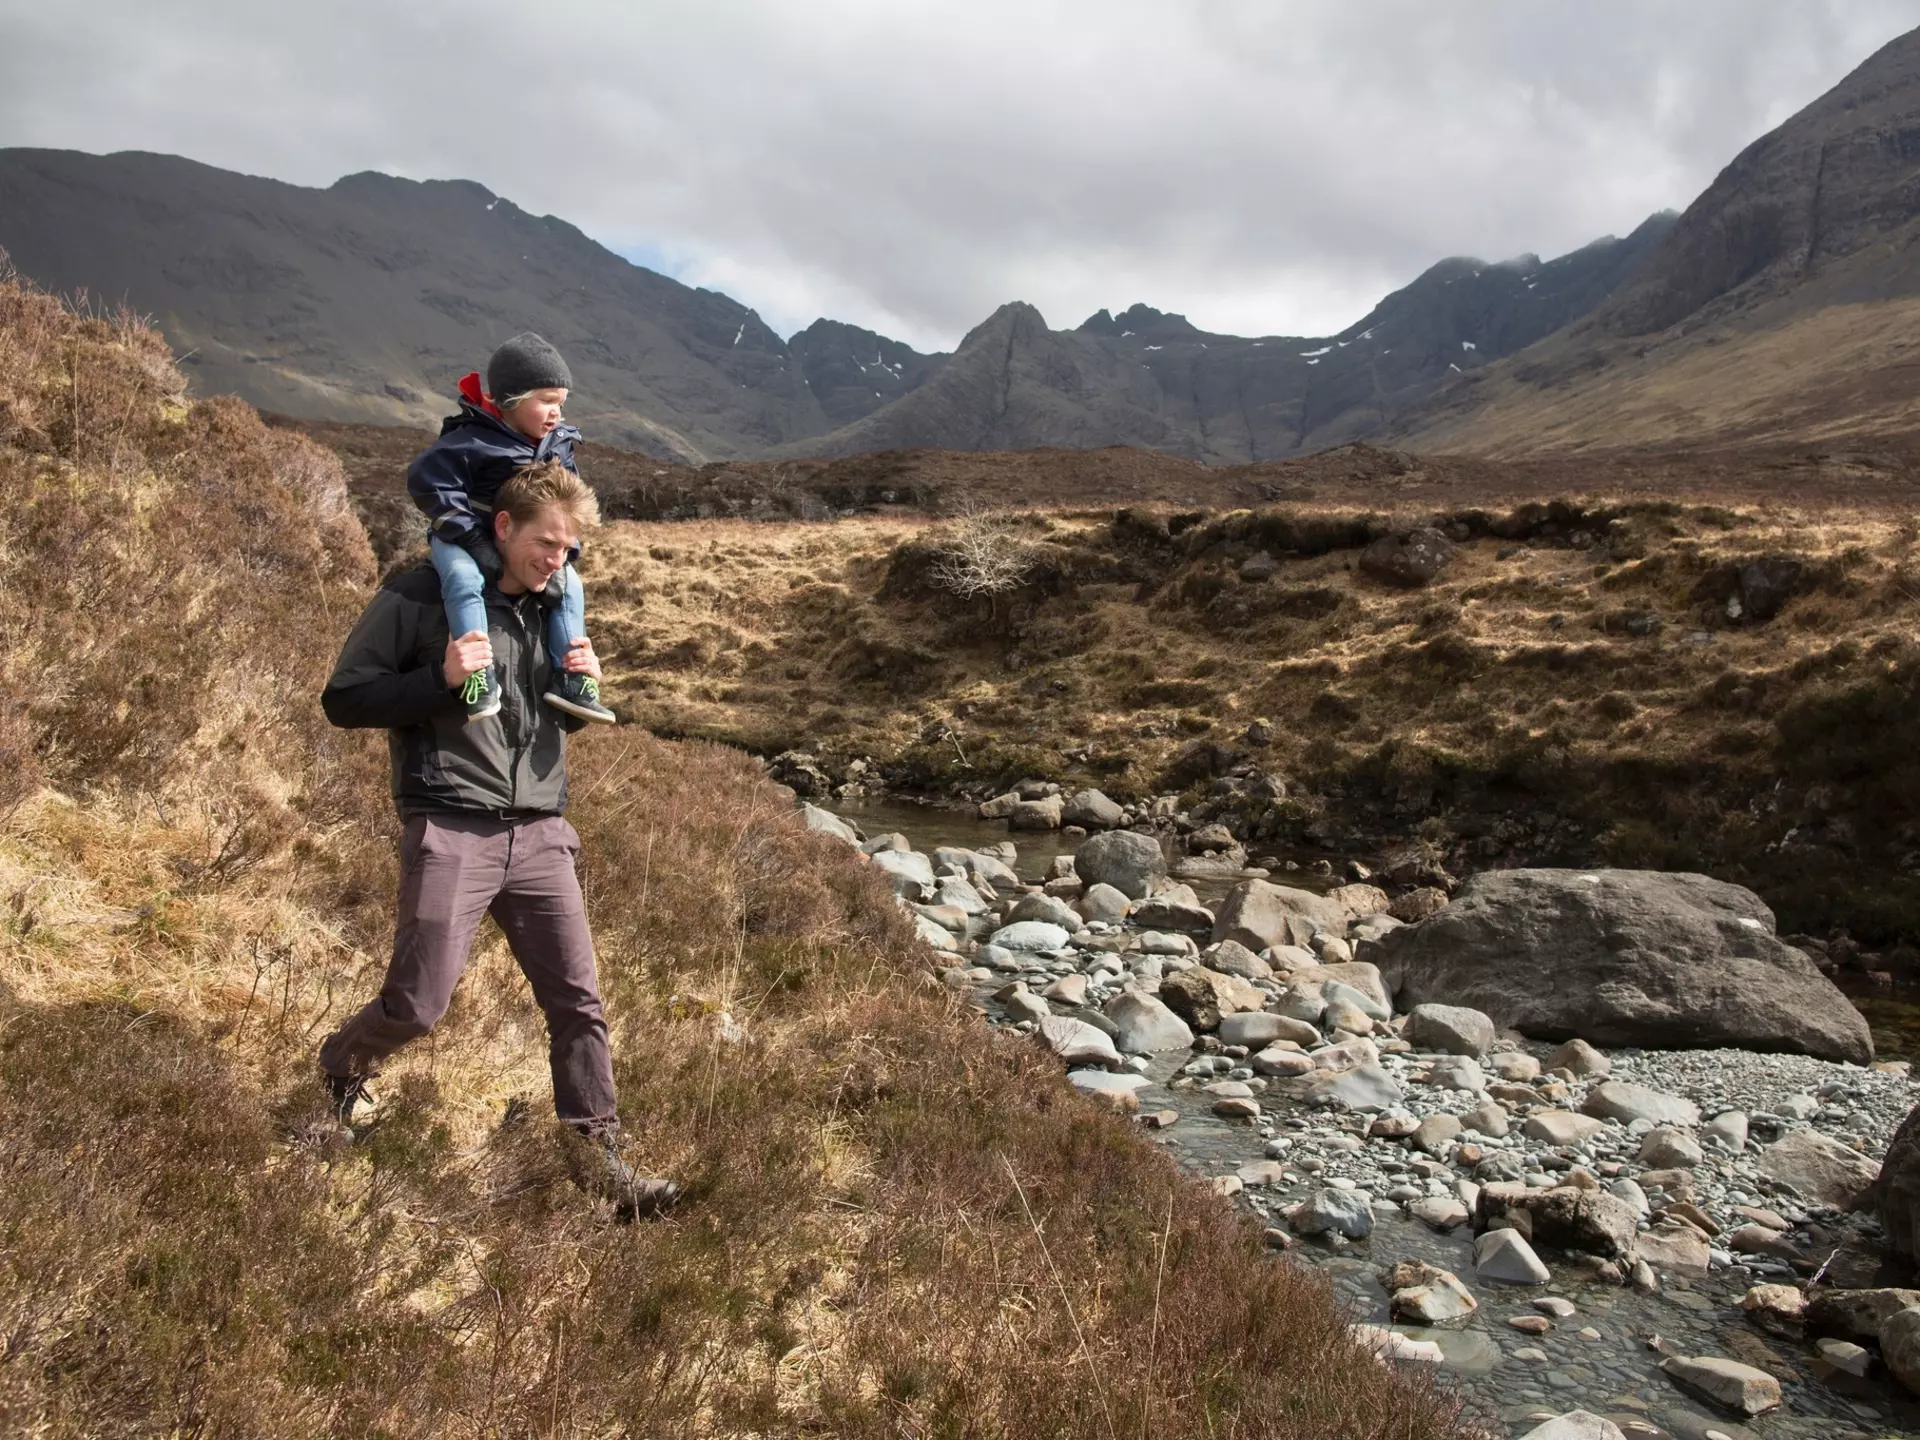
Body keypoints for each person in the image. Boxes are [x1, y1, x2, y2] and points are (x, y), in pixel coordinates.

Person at [317, 461, 674, 1216]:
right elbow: (344, 699)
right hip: (451, 824)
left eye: (569, 550)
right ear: (504, 527)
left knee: (578, 1001)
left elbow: (547, 718)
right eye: (546, 543)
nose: (557, 560)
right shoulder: (421, 594)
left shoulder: (553, 611)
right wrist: (441, 679)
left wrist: (584, 688)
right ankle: (341, 1070)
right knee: (417, 1006)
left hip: (542, 832)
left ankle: (597, 1158)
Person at [407, 331, 615, 725]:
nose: (556, 413)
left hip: (522, 545)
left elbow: (567, 500)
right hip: (462, 538)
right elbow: (426, 479)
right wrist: (468, 534)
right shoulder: (471, 439)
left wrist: (566, 550)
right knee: (464, 578)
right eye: (547, 401)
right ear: (512, 400)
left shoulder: (557, 443)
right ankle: (476, 677)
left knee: (572, 586)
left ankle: (573, 678)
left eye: (562, 404)